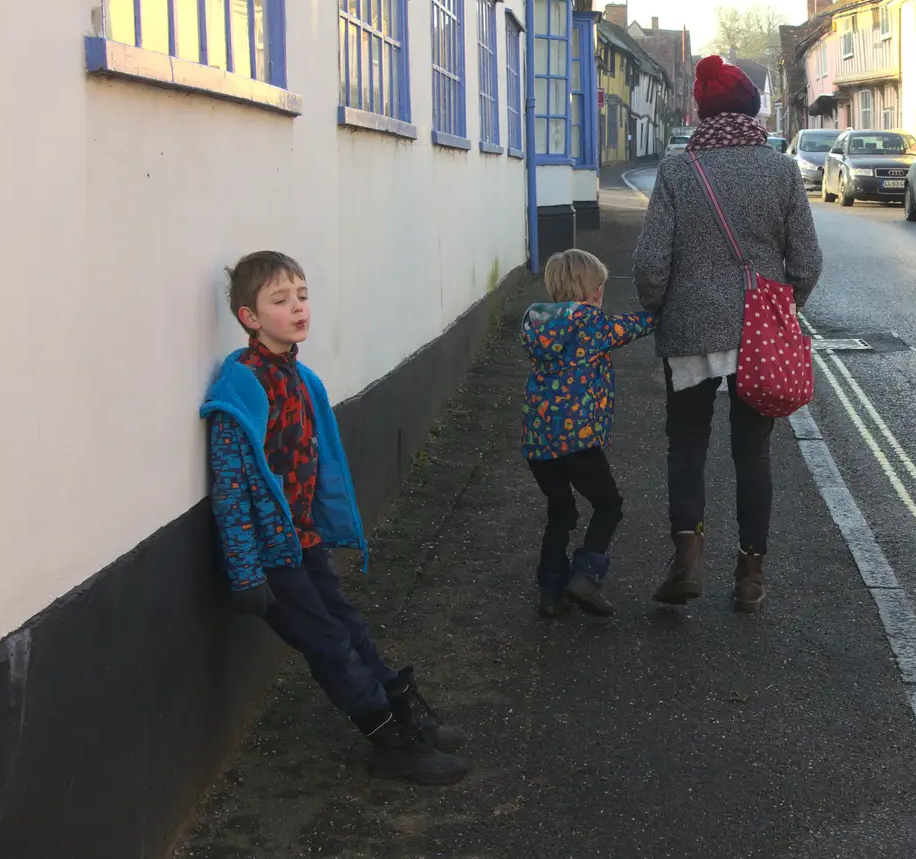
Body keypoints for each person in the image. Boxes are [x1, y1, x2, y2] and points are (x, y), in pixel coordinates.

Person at [200, 251, 468, 786]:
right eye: (280, 300)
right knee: (325, 641)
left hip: (303, 538)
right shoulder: (244, 388)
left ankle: (402, 709)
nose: (298, 307)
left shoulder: (297, 377)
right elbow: (230, 490)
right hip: (270, 554)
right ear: (248, 318)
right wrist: (246, 571)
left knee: (347, 626)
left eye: (302, 295)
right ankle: (388, 740)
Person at [632, 56, 823, 613]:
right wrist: (783, 310)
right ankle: (749, 575)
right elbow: (806, 262)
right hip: (759, 334)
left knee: (687, 446)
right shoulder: (781, 171)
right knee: (753, 454)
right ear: (752, 110)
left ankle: (687, 561)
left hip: (690, 331)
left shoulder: (676, 172)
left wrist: (659, 309)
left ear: (702, 111)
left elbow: (649, 265)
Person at [522, 249, 657, 617]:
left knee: (561, 510)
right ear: (595, 291)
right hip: (577, 440)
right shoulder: (591, 324)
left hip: (538, 441)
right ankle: (585, 574)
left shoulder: (537, 323)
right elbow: (629, 327)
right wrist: (658, 313)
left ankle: (549, 592)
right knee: (608, 504)